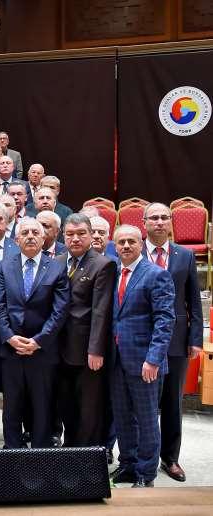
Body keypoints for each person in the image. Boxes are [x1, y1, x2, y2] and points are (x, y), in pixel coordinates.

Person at [108, 224, 175, 488]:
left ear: (141, 243)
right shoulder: (112, 273)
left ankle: (146, 474)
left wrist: (153, 359)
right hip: (116, 360)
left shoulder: (156, 275)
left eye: (131, 242)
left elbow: (165, 320)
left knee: (146, 420)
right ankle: (128, 464)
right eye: (121, 242)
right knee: (123, 417)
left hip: (145, 361)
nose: (125, 246)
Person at [0, 217, 70, 449]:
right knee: (12, 407)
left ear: (44, 237)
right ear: (16, 239)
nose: (30, 236)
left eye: (34, 232)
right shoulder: (5, 266)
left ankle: (40, 453)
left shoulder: (57, 267)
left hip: (42, 352)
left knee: (42, 405)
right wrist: (9, 336)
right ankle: (13, 451)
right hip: (12, 349)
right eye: (24, 232)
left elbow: (60, 311)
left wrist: (38, 341)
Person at [141, 203, 202, 482]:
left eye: (164, 217)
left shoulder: (184, 256)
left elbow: (193, 301)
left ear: (170, 223)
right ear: (144, 222)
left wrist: (195, 339)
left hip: (176, 340)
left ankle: (170, 458)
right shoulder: (131, 249)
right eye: (153, 217)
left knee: (172, 402)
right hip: (139, 337)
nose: (159, 222)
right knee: (141, 401)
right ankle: (142, 456)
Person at [56, 214, 116, 448]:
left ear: (91, 235)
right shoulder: (58, 261)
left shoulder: (103, 264)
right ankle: (70, 452)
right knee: (66, 405)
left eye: (81, 233)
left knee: (89, 408)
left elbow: (101, 312)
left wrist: (96, 349)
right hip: (59, 348)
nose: (75, 239)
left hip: (87, 351)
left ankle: (87, 456)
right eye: (70, 234)